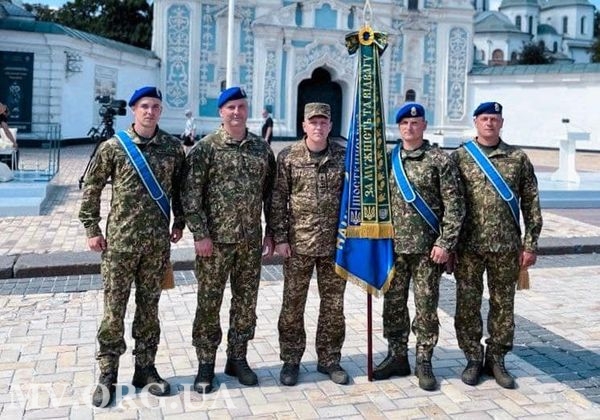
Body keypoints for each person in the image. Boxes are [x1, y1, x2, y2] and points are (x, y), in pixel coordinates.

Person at [79, 86, 186, 408]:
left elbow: (181, 189)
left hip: (156, 245)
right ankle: (107, 375)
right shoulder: (114, 147)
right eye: (144, 106)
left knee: (149, 310)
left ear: (160, 110)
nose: (150, 111)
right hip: (119, 245)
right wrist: (92, 228)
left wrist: (179, 222)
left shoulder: (172, 148)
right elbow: (92, 186)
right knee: (114, 311)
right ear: (134, 110)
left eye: (155, 106)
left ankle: (145, 369)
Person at [182, 86, 276, 394]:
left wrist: (272, 232)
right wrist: (200, 234)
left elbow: (271, 196)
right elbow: (190, 196)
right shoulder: (206, 149)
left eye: (241, 107)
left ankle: (237, 358)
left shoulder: (261, 150)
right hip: (215, 243)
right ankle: (205, 364)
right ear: (221, 112)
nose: (236, 112)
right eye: (231, 107)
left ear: (247, 110)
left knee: (246, 303)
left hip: (250, 241)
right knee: (209, 303)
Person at [372, 102, 465, 391]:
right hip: (393, 248)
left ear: (424, 125)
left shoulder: (439, 160)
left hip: (427, 250)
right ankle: (397, 355)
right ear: (398, 127)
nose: (410, 127)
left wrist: (445, 243)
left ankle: (424, 359)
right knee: (393, 305)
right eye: (404, 124)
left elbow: (455, 205)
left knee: (426, 307)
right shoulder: (388, 160)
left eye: (415, 123)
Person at [451, 101, 543, 389]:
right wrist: (449, 244)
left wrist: (530, 244)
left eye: (494, 119)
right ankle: (472, 358)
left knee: (503, 305)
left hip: (506, 247)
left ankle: (496, 359)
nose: (489, 123)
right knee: (467, 305)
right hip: (468, 247)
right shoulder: (460, 157)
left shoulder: (517, 158)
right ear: (476, 122)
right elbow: (449, 204)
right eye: (484, 118)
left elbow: (531, 203)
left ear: (501, 123)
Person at [271, 102, 349, 386]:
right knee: (292, 306)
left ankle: (329, 359)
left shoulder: (343, 156)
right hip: (298, 244)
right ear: (304, 125)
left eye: (323, 122)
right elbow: (278, 199)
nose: (318, 127)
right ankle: (291, 359)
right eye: (313, 122)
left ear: (330, 126)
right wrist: (280, 238)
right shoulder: (288, 156)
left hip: (334, 246)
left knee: (333, 307)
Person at [0, 102, 18, 169]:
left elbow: (7, 132)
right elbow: (7, 132)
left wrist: (14, 142)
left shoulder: (2, 117)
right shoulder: (2, 116)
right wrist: (14, 142)